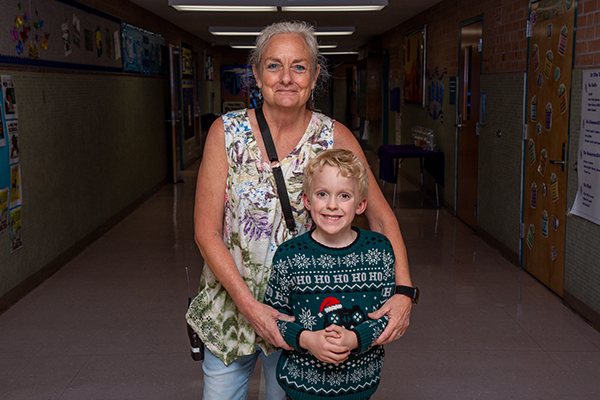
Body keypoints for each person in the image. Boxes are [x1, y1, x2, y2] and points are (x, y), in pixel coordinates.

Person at [186, 20, 415, 400]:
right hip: (230, 307)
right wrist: (251, 307)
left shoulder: (333, 135)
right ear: (257, 75)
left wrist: (404, 291)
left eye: (299, 66)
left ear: (314, 76)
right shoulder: (225, 133)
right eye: (274, 65)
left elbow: (379, 214)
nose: (286, 78)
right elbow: (205, 232)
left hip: (305, 317)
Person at [264, 149, 395, 400]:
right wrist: (307, 340)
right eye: (322, 194)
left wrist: (357, 338)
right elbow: (273, 320)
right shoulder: (290, 255)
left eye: (344, 195)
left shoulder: (379, 250)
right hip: (300, 387)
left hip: (360, 386)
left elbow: (389, 317)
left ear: (360, 205)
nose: (332, 205)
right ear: (307, 201)